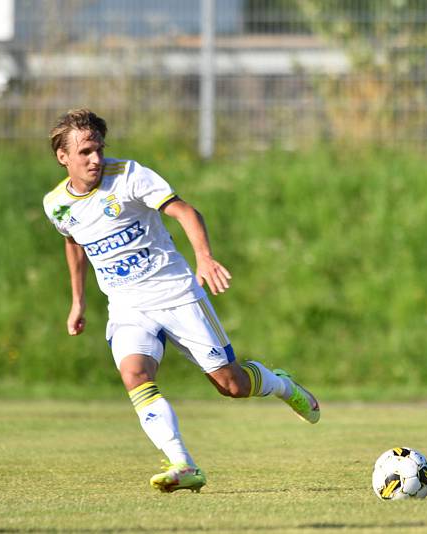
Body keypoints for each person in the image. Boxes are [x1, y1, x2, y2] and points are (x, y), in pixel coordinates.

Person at [43, 109, 320, 493]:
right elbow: (73, 241)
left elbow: (186, 211)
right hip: (127, 306)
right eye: (86, 151)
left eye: (99, 149)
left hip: (177, 294)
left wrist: (204, 258)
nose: (95, 159)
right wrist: (78, 301)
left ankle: (282, 385)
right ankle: (182, 463)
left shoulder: (128, 175)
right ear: (63, 157)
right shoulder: (56, 203)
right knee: (135, 375)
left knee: (232, 385)